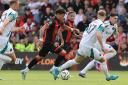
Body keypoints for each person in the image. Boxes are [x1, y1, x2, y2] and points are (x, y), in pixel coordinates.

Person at [51, 10, 118, 81]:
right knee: (103, 59)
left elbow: (87, 32)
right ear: (105, 16)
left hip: (82, 44)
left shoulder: (93, 22)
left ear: (97, 16)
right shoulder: (102, 24)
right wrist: (102, 46)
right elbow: (98, 34)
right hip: (88, 47)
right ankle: (108, 77)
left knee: (76, 61)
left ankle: (57, 69)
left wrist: (81, 36)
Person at [20, 8, 78, 80]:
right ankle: (54, 70)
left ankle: (25, 70)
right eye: (63, 15)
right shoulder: (52, 21)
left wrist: (72, 29)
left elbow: (64, 27)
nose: (63, 17)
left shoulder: (59, 21)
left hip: (49, 43)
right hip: (48, 43)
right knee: (63, 53)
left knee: (39, 57)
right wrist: (40, 39)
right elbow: (42, 29)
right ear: (58, 15)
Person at [0, 0, 24, 79]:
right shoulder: (14, 13)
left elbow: (10, 28)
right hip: (2, 38)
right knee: (10, 59)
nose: (19, 6)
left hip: (3, 38)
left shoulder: (5, 12)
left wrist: (19, 28)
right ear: (14, 4)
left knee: (13, 58)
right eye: (18, 4)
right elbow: (6, 22)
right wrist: (2, 28)